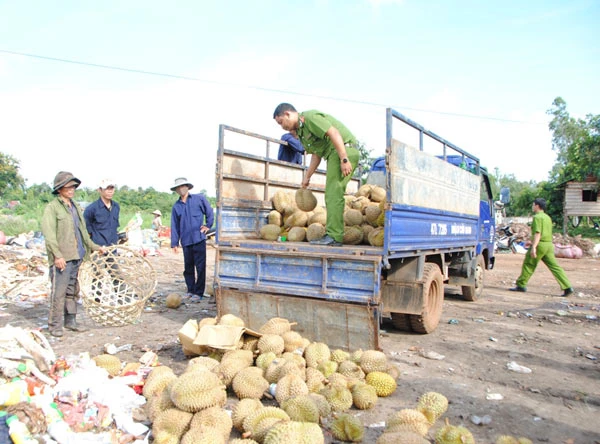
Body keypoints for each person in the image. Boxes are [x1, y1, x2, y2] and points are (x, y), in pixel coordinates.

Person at [273, 103, 359, 246]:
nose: (282, 127)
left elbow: (334, 133)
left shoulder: (310, 117)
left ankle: (334, 236)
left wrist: (344, 159)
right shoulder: (301, 133)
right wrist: (307, 177)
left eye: (281, 122)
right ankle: (333, 234)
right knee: (332, 193)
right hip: (333, 154)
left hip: (342, 150)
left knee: (333, 193)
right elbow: (316, 156)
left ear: (287, 114)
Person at [41, 171, 105, 337]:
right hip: (63, 258)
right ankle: (55, 325)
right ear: (60, 189)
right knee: (59, 293)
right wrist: (57, 256)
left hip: (77, 255)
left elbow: (82, 232)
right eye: (68, 186)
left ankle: (70, 321)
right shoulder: (52, 208)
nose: (71, 189)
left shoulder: (75, 206)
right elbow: (49, 235)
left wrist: (95, 247)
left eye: (73, 186)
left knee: (73, 291)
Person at [510, 198, 574, 297]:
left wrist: (534, 247)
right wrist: (531, 242)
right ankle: (567, 286)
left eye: (533, 205)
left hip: (540, 245)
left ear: (537, 206)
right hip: (548, 245)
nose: (532, 206)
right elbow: (544, 233)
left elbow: (538, 233)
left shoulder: (537, 217)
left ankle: (521, 285)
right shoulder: (547, 217)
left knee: (529, 264)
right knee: (555, 267)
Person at [170, 177, 214, 298]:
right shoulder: (176, 207)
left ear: (188, 187)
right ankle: (190, 290)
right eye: (179, 187)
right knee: (188, 267)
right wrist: (174, 243)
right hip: (186, 241)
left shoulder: (199, 199)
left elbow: (209, 212)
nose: (181, 189)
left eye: (183, 186)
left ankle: (198, 292)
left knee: (200, 267)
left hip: (199, 238)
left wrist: (208, 225)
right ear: (176, 190)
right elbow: (175, 225)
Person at [83, 179, 120, 246]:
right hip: (98, 249)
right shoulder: (91, 209)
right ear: (100, 190)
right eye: (107, 188)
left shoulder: (116, 206)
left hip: (113, 247)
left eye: (112, 188)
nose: (110, 191)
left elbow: (115, 227)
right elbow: (86, 232)